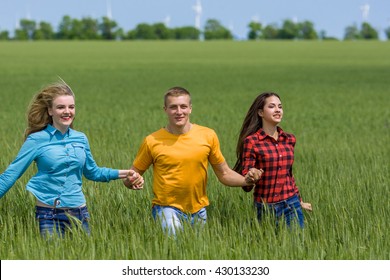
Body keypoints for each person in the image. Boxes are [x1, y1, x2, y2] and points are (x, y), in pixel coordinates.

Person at [0, 80, 144, 237]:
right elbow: (11, 175)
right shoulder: (36, 140)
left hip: (80, 213)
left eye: (71, 107)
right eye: (60, 107)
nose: (67, 111)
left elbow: (93, 172)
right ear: (50, 111)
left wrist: (126, 173)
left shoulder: (81, 138)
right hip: (48, 214)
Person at [123, 86, 262, 235]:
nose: (179, 111)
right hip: (166, 207)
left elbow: (224, 173)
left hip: (199, 210)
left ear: (190, 108)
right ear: (165, 109)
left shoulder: (208, 135)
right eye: (173, 107)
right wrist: (132, 181)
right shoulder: (152, 141)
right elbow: (131, 175)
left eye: (183, 106)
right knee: (174, 246)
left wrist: (247, 180)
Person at [233, 92, 312, 229]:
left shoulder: (289, 140)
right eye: (271, 106)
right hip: (265, 208)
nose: (277, 110)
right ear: (260, 112)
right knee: (268, 247)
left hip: (291, 204)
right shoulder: (252, 142)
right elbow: (246, 185)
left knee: (297, 246)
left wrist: (300, 201)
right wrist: (252, 175)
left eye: (280, 107)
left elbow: (289, 175)